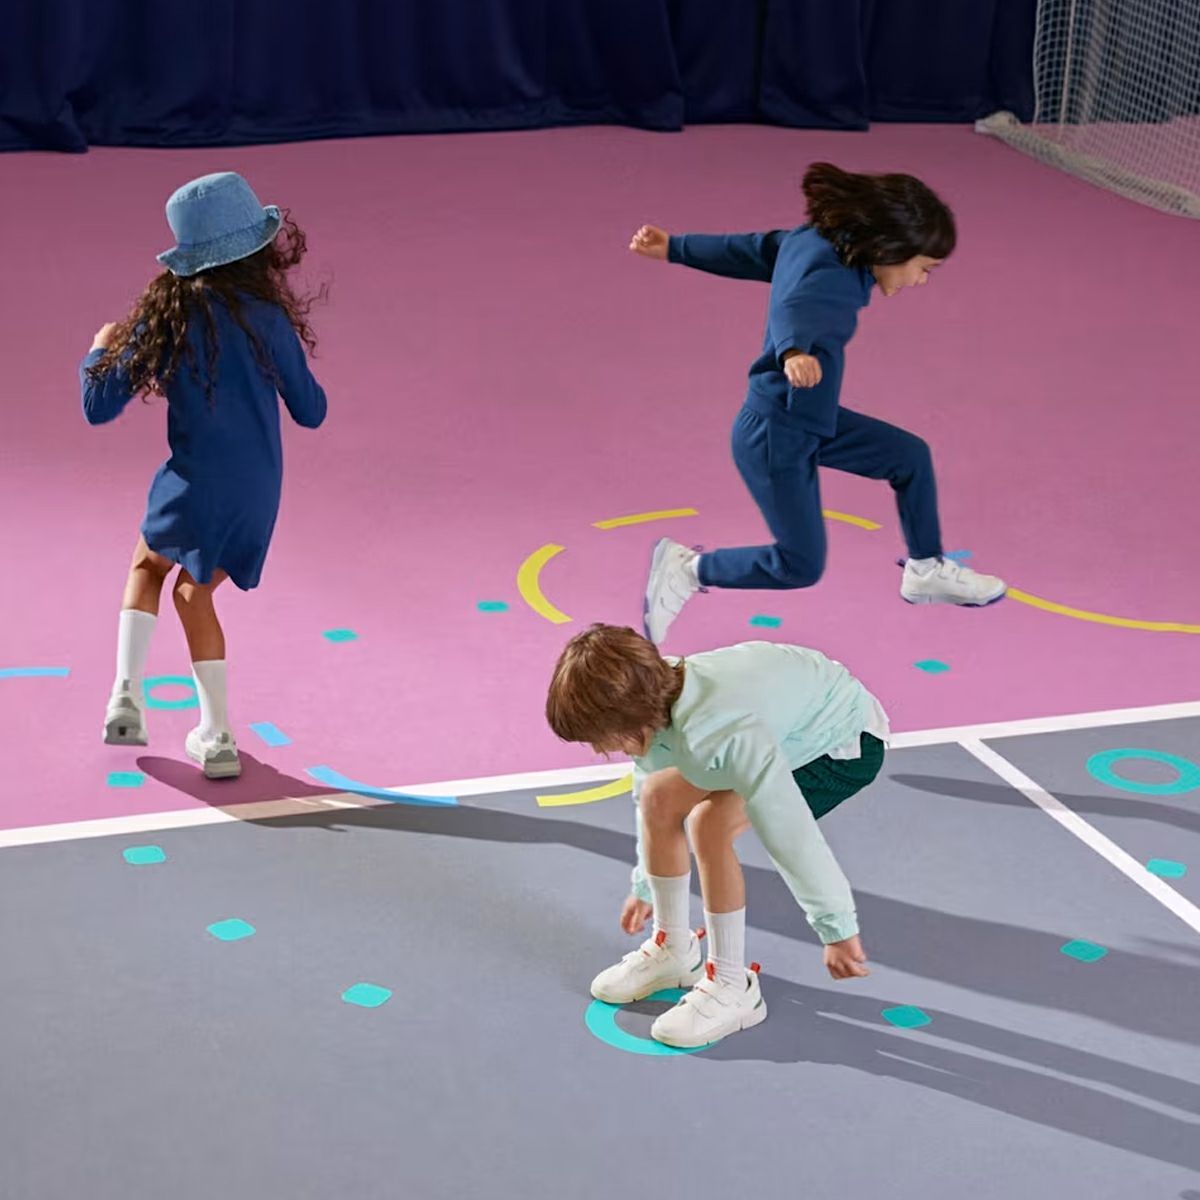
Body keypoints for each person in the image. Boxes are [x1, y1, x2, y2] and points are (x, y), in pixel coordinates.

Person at [633, 162, 1006, 644]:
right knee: (799, 564)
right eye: (923, 268)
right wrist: (793, 352)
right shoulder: (835, 279)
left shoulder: (812, 241)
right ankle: (689, 569)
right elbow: (796, 308)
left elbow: (751, 250)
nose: (920, 280)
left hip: (809, 422)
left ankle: (926, 569)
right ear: (890, 247)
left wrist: (676, 247)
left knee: (909, 456)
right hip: (776, 435)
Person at [81, 171, 327, 778]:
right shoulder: (268, 318)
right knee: (194, 593)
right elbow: (312, 411)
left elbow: (98, 407)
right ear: (256, 249)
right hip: (256, 494)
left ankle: (125, 696)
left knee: (147, 567)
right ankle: (217, 738)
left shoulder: (168, 318)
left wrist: (100, 350)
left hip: (192, 482)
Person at [546, 623, 888, 1048]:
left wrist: (836, 928)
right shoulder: (652, 690)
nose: (601, 750)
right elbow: (649, 785)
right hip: (781, 716)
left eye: (604, 740)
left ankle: (732, 986)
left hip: (841, 743)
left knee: (710, 824)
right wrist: (645, 885)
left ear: (633, 722)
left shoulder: (723, 731)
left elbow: (789, 829)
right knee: (657, 796)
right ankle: (674, 949)